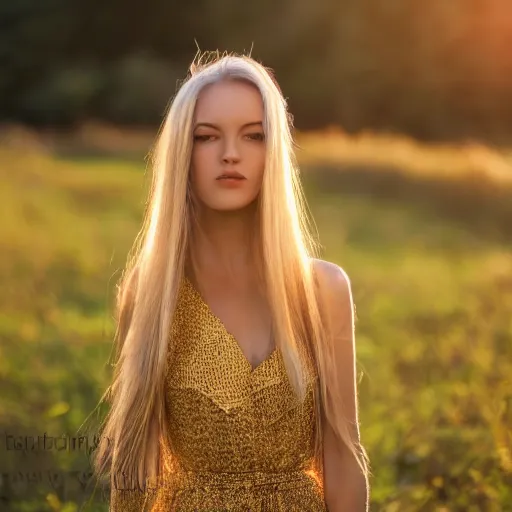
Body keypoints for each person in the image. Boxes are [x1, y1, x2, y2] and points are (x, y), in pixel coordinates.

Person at [92, 50, 370, 511]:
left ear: (274, 152)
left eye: (254, 136)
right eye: (206, 137)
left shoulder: (322, 291)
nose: (231, 155)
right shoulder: (153, 291)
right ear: (183, 150)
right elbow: (136, 460)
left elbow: (343, 454)